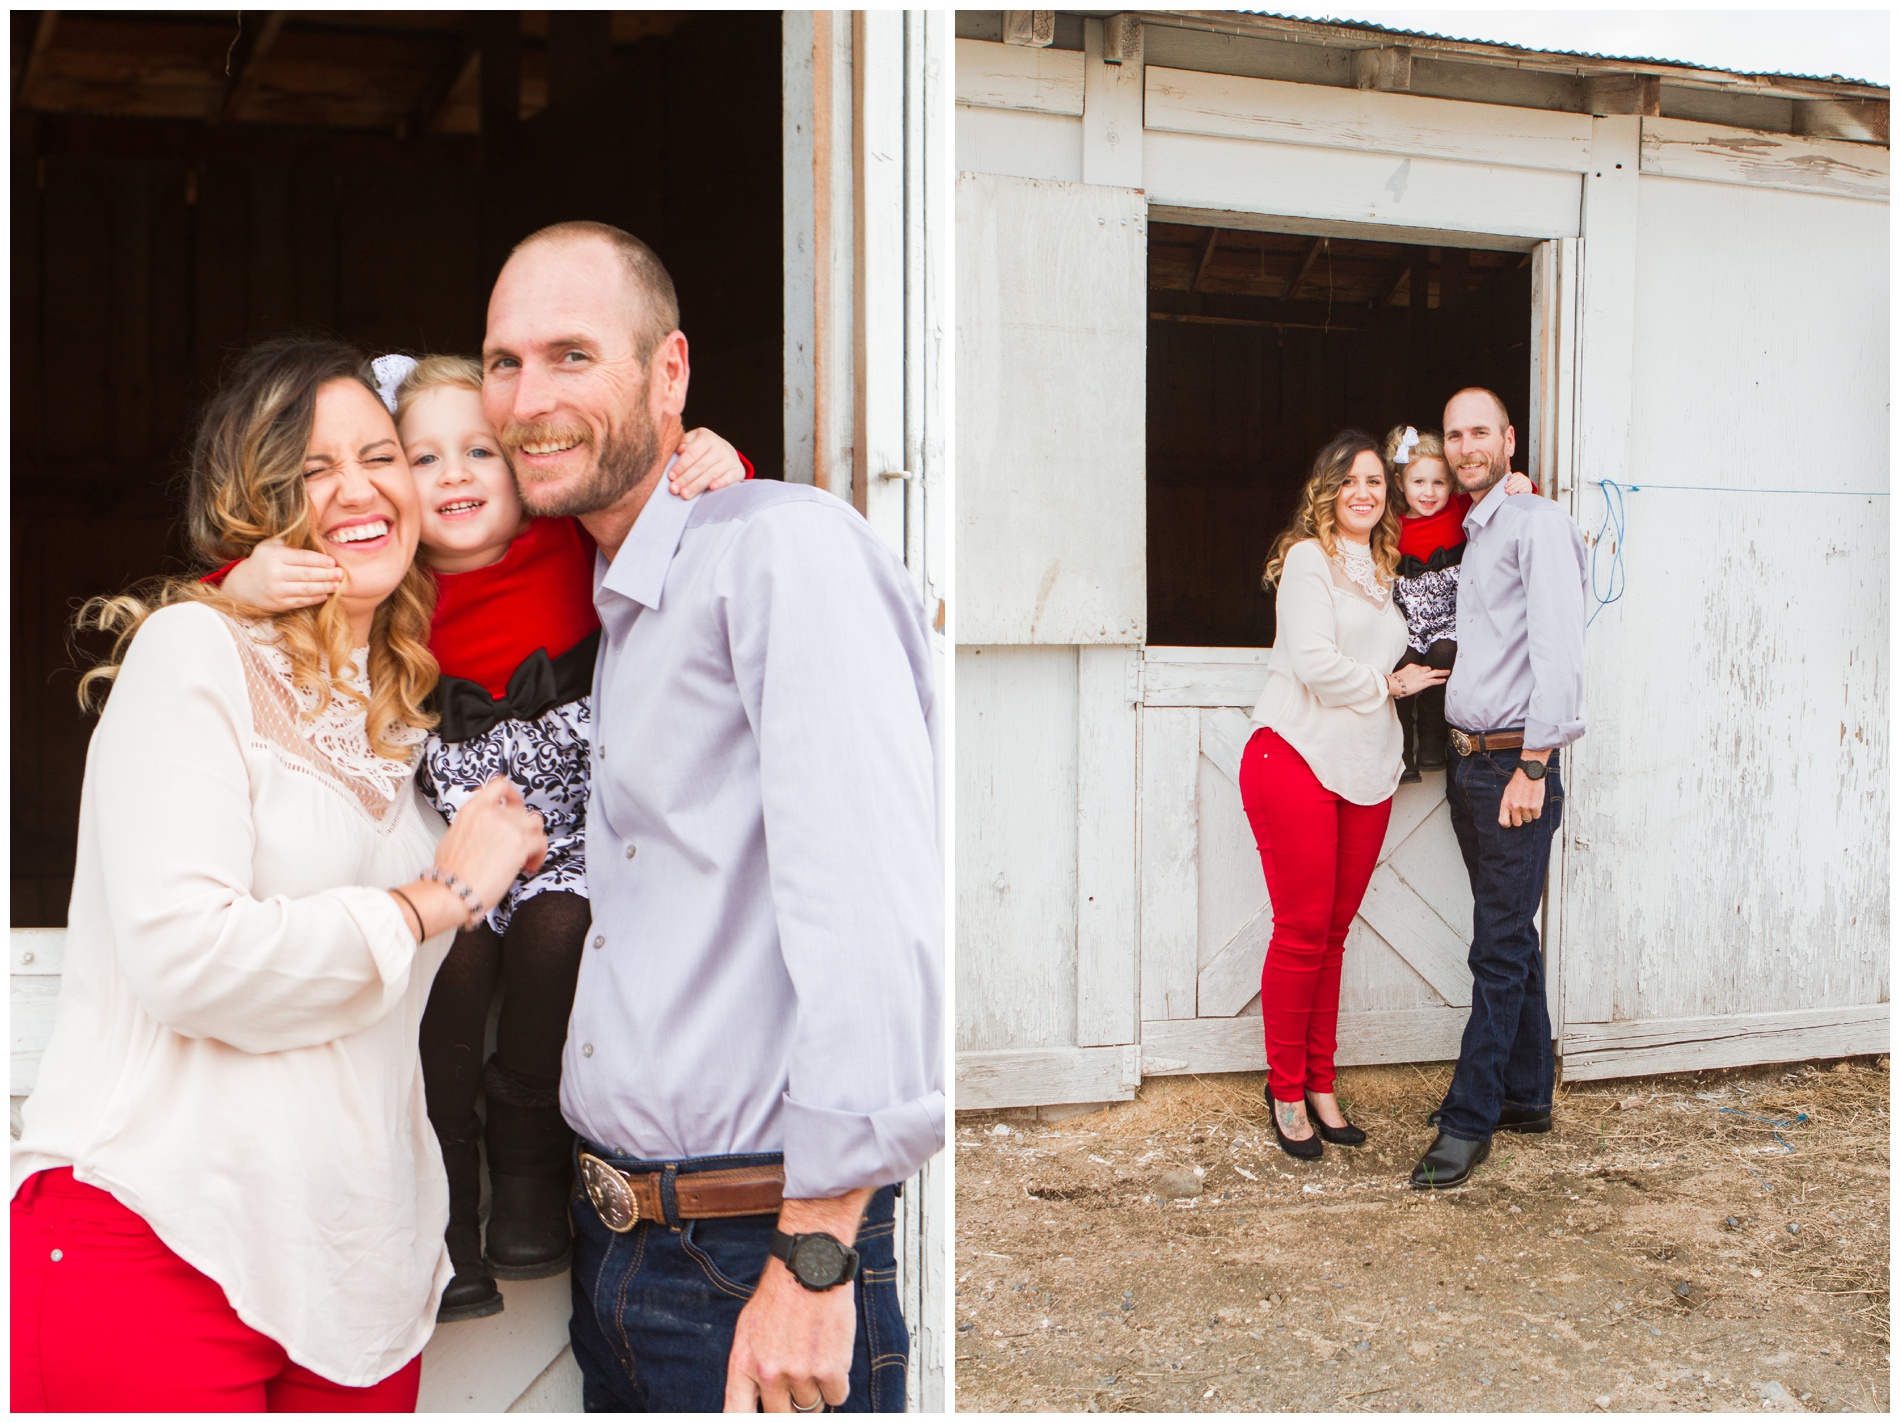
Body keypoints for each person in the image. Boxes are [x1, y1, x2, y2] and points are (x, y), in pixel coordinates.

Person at [9, 337, 548, 1410]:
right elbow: (187, 959)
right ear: (257, 504)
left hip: (361, 1283)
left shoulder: (404, 722)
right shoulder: (192, 654)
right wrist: (438, 896)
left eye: (381, 454)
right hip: (162, 1240)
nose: (360, 487)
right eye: (311, 470)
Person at [480, 220, 942, 1411]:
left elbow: (868, 908)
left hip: (755, 1256)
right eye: (503, 361)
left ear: (668, 372)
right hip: (624, 1245)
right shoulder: (614, 592)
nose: (528, 399)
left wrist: (818, 1252)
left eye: (572, 355)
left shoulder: (778, 551)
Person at [218, 357, 749, 1321]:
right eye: (424, 458)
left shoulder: (570, 541)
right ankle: (451, 1218)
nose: (457, 475)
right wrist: (244, 575)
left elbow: (671, 495)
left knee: (562, 934)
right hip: (452, 844)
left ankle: (530, 1158)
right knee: (447, 974)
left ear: (524, 469)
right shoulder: (384, 576)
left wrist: (712, 450)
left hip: (572, 834)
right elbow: (233, 596)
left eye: (482, 452)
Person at [1242, 432, 1447, 1159]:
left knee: (1332, 933)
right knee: (1301, 930)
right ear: (1327, 489)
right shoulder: (1308, 558)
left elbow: (1445, 500)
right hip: (1297, 753)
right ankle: (1287, 1086)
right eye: (1350, 479)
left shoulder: (1388, 567)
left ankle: (1322, 1081)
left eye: (1375, 481)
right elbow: (1314, 661)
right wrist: (1387, 686)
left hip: (1366, 767)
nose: (1365, 491)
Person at [1410, 387, 1587, 1190]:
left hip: (1516, 764)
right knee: (1513, 936)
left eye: (1481, 431)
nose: (1467, 445)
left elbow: (1559, 652)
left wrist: (1536, 766)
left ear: (1511, 439)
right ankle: (1526, 1094)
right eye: (1455, 435)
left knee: (1495, 945)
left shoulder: (1536, 523)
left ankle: (1468, 1119)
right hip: (1470, 762)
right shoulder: (1478, 528)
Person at [1383, 425, 1533, 783]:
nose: (1430, 492)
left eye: (1439, 482)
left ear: (1452, 484)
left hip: (1450, 616)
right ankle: (1402, 755)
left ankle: (1434, 743)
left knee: (1444, 659)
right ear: (1401, 483)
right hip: (1408, 620)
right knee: (1401, 664)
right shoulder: (1391, 522)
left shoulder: (1460, 507)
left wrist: (1525, 485)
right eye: (1419, 482)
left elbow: (1502, 497)